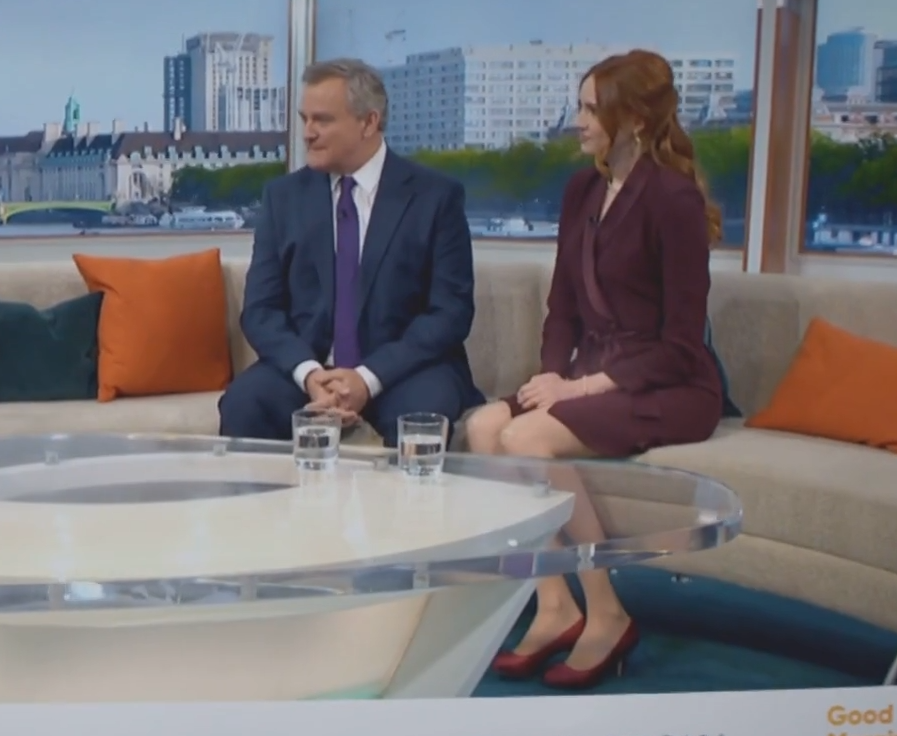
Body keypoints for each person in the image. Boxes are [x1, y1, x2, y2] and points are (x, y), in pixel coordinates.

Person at [465, 49, 724, 689]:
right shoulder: (581, 189)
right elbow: (562, 309)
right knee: (482, 428)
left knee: (526, 438)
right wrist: (550, 378)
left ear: (633, 119)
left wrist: (577, 388)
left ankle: (606, 610)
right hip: (588, 374)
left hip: (668, 385)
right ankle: (554, 604)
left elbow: (681, 344)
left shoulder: (673, 199)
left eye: (590, 109)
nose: (577, 121)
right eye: (578, 106)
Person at [218, 58, 483, 446]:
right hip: (310, 369)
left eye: (322, 120)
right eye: (305, 119)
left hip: (404, 369)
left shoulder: (435, 197)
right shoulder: (283, 198)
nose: (308, 133)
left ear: (368, 122)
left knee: (424, 412)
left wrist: (367, 378)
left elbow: (450, 312)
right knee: (245, 403)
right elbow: (261, 310)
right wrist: (310, 374)